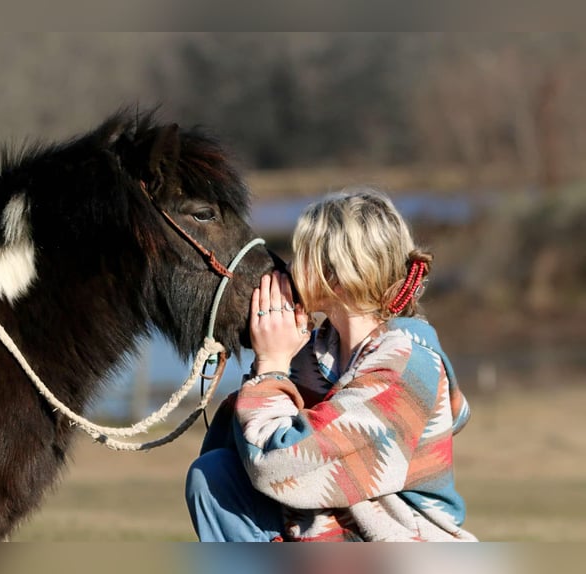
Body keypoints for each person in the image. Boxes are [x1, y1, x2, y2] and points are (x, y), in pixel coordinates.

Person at [185, 187, 477, 542]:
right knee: (214, 475)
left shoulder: (406, 369)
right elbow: (239, 449)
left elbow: (280, 466)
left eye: (302, 254)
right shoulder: (314, 354)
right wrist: (274, 362)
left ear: (338, 274)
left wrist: (271, 367)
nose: (288, 267)